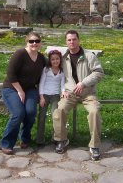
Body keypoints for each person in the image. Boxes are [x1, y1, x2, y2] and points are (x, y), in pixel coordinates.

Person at [53, 30, 104, 161]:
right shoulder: (63, 57)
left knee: (94, 112)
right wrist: (62, 89)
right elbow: (56, 73)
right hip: (70, 93)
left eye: (74, 39)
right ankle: (61, 139)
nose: (72, 42)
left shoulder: (89, 56)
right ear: (66, 42)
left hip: (88, 93)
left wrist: (84, 83)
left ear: (79, 40)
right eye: (69, 40)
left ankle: (95, 145)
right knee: (59, 110)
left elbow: (99, 72)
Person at [0, 32, 46, 155]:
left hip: (30, 88)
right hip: (12, 88)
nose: (34, 43)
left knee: (30, 112)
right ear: (27, 42)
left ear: (40, 42)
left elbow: (49, 72)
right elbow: (10, 73)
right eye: (31, 41)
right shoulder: (20, 54)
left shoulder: (41, 58)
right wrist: (20, 91)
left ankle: (25, 138)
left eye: (37, 41)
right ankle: (6, 143)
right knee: (18, 114)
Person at [36, 50, 65, 146]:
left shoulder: (61, 71)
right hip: (45, 95)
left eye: (57, 59)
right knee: (42, 116)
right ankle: (39, 139)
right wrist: (41, 97)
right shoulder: (46, 70)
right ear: (50, 60)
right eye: (53, 59)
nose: (55, 61)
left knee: (55, 116)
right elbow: (42, 83)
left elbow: (62, 85)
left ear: (60, 60)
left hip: (55, 96)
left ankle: (55, 138)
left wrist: (63, 92)